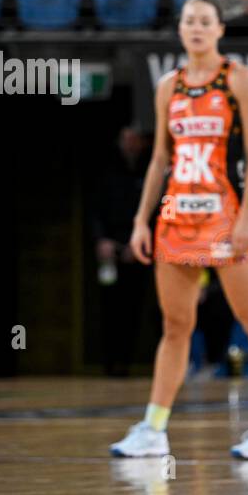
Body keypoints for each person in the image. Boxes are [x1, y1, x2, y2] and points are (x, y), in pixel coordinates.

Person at [110, 0, 248, 461]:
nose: (196, 28)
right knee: (174, 325)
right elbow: (158, 160)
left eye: (205, 21)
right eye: (189, 20)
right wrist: (139, 221)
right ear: (180, 28)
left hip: (225, 216)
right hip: (177, 217)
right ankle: (154, 429)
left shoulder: (238, 80)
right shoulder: (168, 86)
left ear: (219, 29)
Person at [92, 126, 152, 377]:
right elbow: (94, 208)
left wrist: (139, 243)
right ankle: (108, 364)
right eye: (126, 139)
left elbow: (159, 211)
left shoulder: (149, 171)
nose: (130, 144)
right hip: (110, 249)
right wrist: (100, 240)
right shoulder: (106, 170)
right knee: (109, 308)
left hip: (137, 248)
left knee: (133, 309)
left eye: (135, 140)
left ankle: (126, 363)